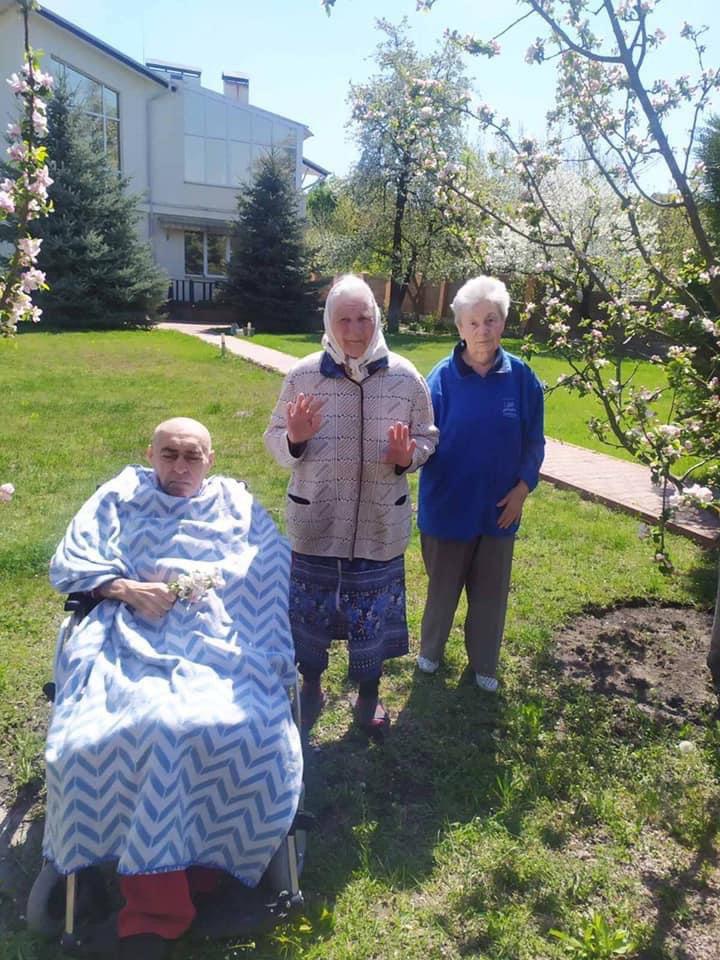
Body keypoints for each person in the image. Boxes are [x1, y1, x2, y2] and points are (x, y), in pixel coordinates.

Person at [45, 417, 302, 960]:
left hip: (220, 634)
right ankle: (156, 906)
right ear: (150, 454)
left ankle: (202, 870)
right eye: (169, 455)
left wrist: (222, 603)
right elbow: (73, 559)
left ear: (210, 461)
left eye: (192, 456)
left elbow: (267, 569)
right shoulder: (119, 497)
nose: (180, 467)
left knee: (241, 725)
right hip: (128, 633)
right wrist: (125, 588)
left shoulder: (236, 505)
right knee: (146, 724)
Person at [264, 274, 437, 737]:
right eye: (344, 319)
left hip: (379, 520)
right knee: (310, 612)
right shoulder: (303, 375)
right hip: (317, 518)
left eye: (364, 318)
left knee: (372, 614)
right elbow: (274, 438)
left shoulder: (405, 378)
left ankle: (369, 694)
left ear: (376, 318)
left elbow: (427, 437)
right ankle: (311, 685)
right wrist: (294, 438)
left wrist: (408, 457)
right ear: (328, 321)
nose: (356, 330)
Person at [416, 276, 545, 692]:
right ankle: (431, 650)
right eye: (472, 322)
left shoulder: (522, 378)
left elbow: (534, 441)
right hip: (447, 506)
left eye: (491, 320)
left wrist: (522, 489)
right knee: (442, 589)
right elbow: (422, 439)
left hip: (499, 508)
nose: (482, 330)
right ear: (459, 328)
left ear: (503, 322)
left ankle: (485, 661)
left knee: (491, 593)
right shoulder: (439, 380)